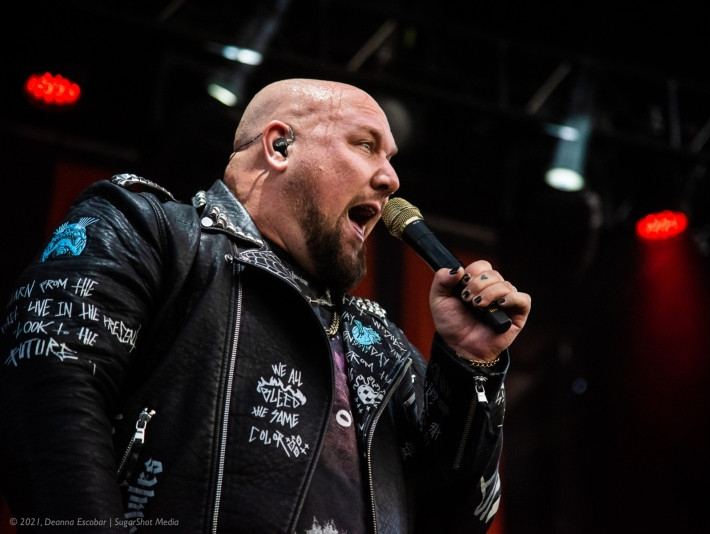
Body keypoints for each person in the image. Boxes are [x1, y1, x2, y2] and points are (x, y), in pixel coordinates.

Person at [0, 78, 531, 533]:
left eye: (391, 159)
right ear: (279, 147)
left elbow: (458, 517)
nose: (391, 179)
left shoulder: (381, 347)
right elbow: (47, 399)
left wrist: (468, 367)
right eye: (366, 145)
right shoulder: (153, 232)